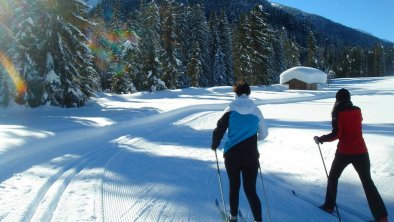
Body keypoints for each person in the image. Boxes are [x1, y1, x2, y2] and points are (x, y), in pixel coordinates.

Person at [314, 88, 388, 222]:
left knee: (333, 177)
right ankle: (382, 217)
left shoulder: (337, 113)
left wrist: (321, 139)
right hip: (361, 151)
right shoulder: (357, 110)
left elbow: (337, 134)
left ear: (338, 99)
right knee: (367, 182)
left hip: (345, 152)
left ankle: (329, 206)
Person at [211, 81, 268, 222]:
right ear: (248, 93)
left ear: (235, 93)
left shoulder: (230, 109)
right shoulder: (256, 110)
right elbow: (264, 133)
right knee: (251, 190)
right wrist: (255, 138)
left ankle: (233, 217)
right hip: (251, 156)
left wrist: (215, 144)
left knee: (234, 186)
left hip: (232, 155)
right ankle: (258, 220)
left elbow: (219, 129)